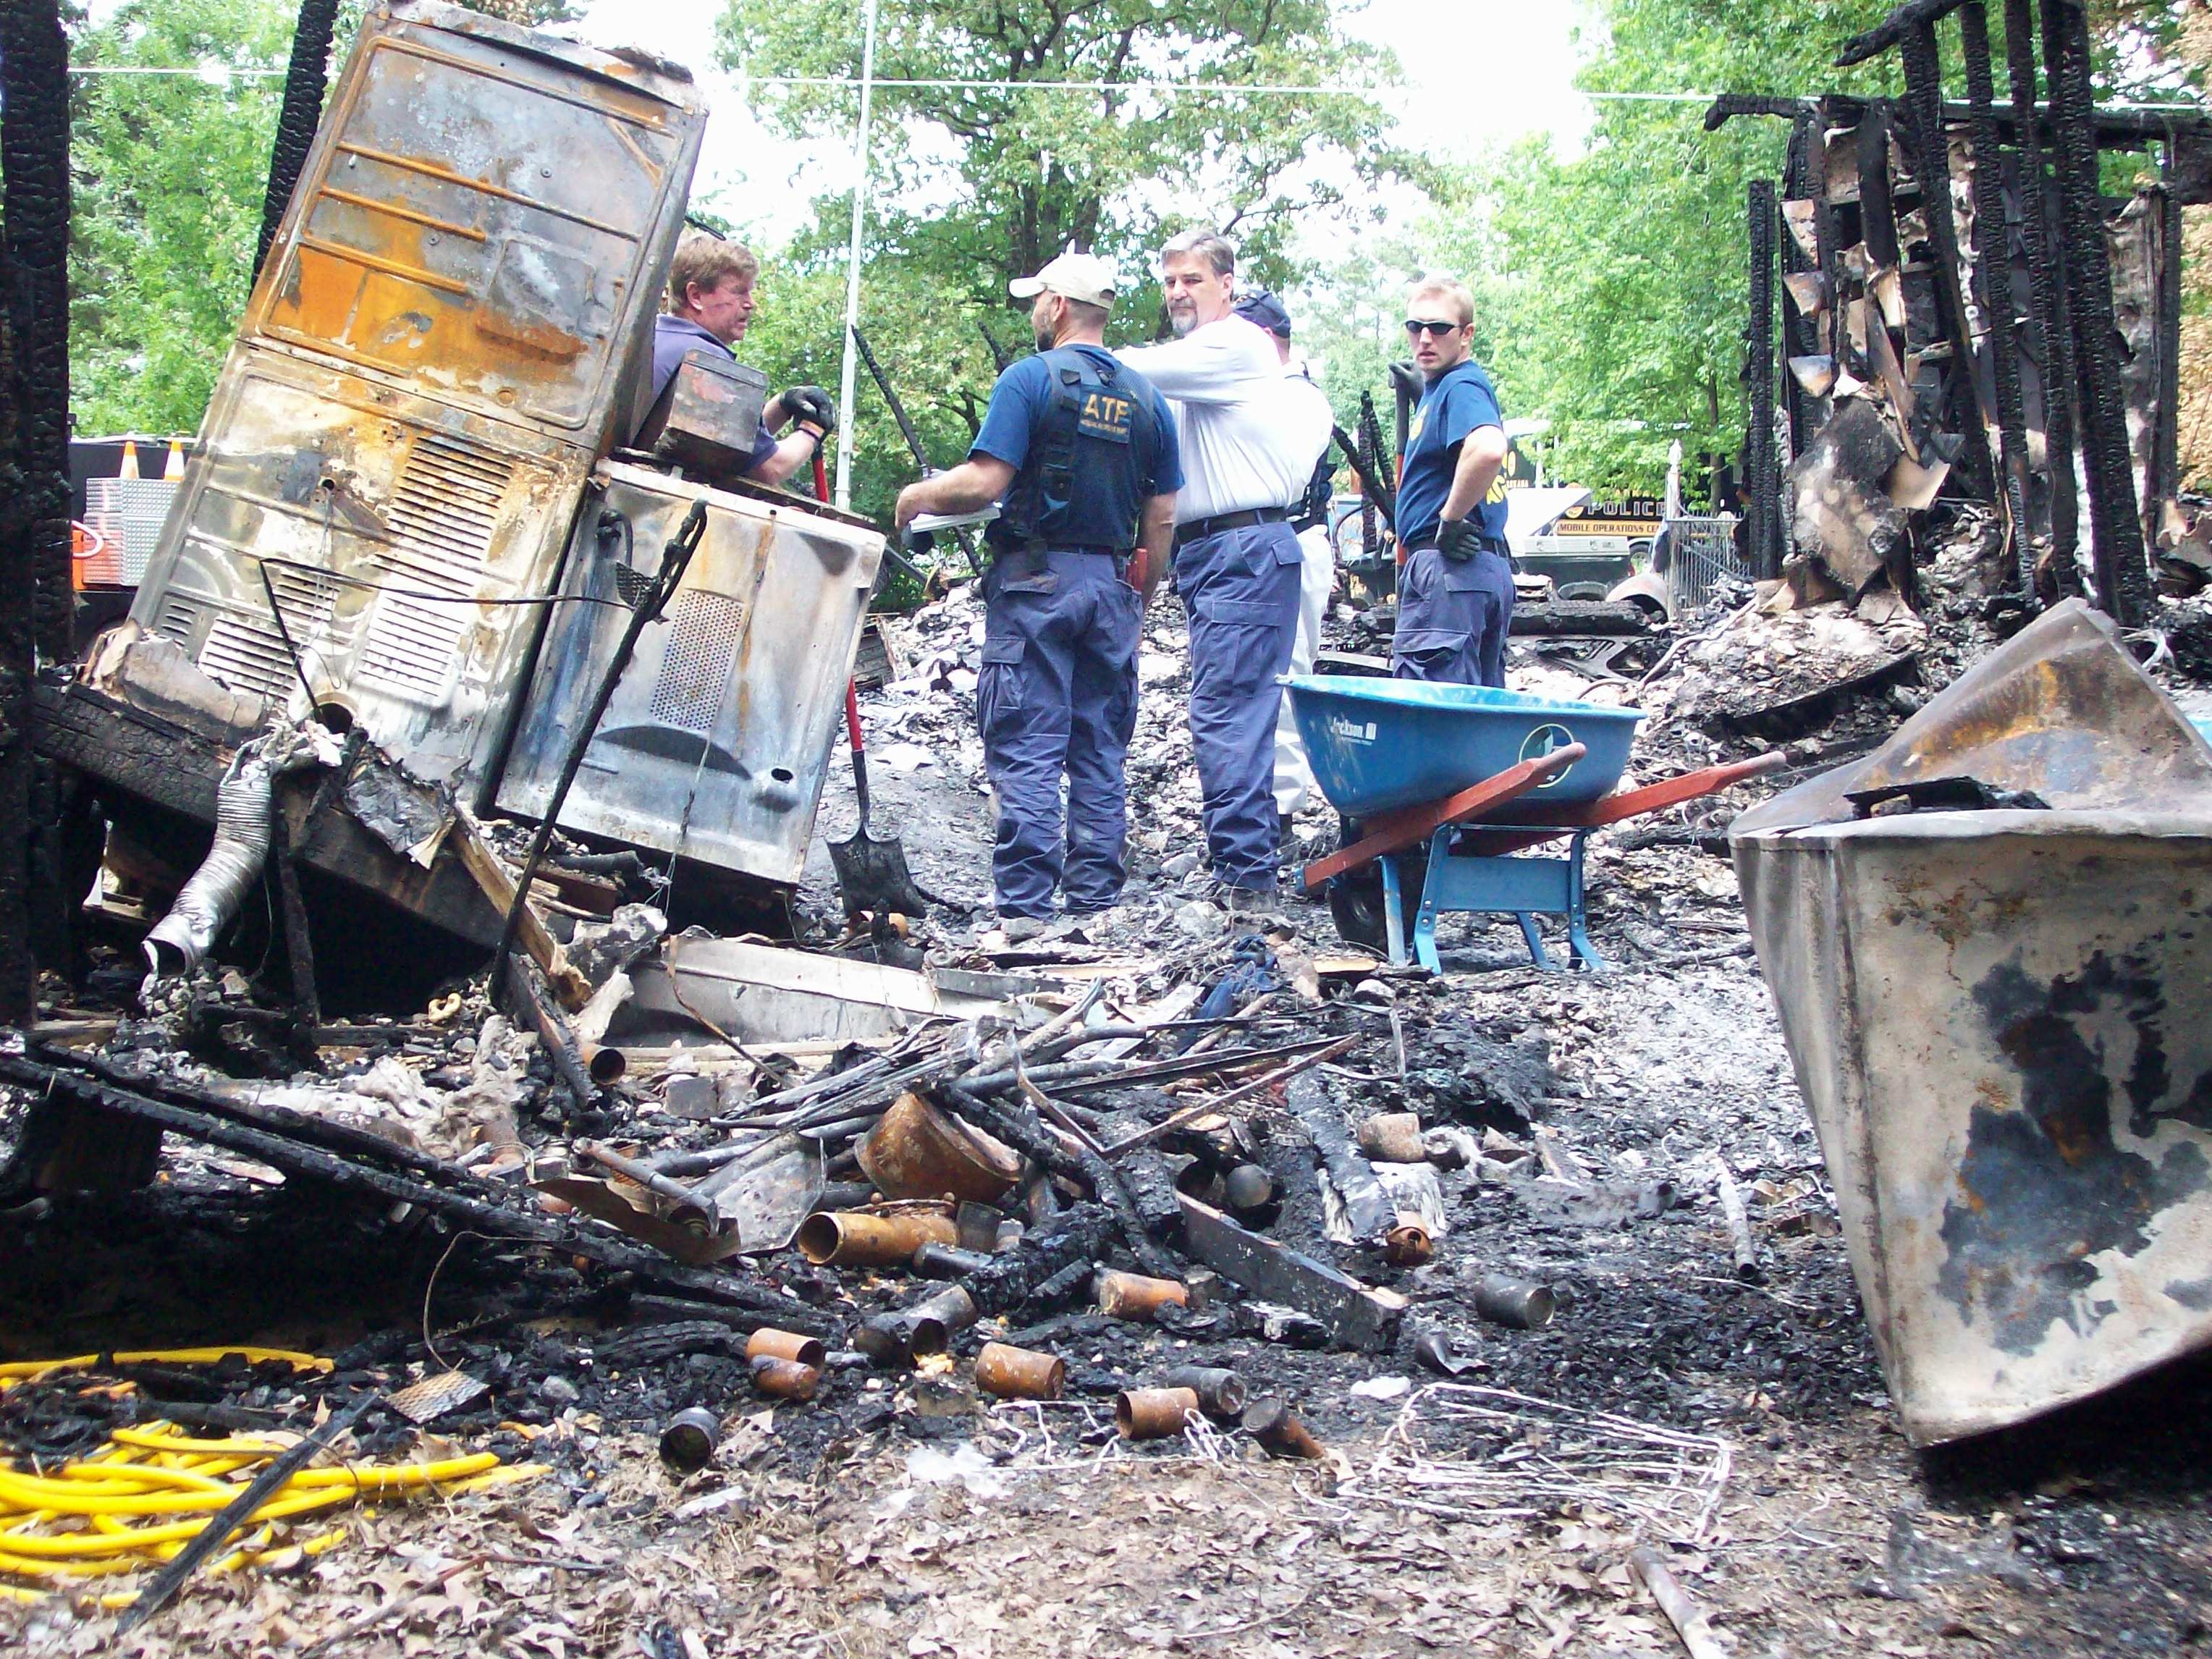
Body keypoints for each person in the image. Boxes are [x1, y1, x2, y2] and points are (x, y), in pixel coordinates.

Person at [893, 252, 1181, 940]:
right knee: (1097, 748)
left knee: (1027, 742)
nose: (1033, 311)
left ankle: (1025, 913)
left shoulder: (1029, 381)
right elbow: (1162, 518)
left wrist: (915, 497)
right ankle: (1094, 908)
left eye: (1037, 299)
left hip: (1036, 585)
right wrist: (1138, 598)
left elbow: (987, 483)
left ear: (1056, 307)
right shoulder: (1149, 400)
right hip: (1112, 585)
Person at [1116, 230, 1330, 911]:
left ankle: (1246, 875)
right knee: (1228, 708)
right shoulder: (1199, 365)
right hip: (1216, 553)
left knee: (1228, 711)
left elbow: (1129, 368)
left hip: (1242, 548)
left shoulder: (1233, 345)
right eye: (1170, 280)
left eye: (1193, 280)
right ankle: (1244, 857)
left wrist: (1072, 355)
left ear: (1227, 285)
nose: (1178, 292)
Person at [1230, 289, 1338, 831]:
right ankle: (1257, 802)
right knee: (1255, 677)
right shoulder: (1273, 395)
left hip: (1294, 539)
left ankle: (1283, 809)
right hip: (1273, 545)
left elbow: (1285, 480)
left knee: (1286, 674)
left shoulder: (1298, 399)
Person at [633, 232, 836, 488]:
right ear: (696, 296)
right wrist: (813, 430)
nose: (750, 304)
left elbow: (728, 444)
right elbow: (770, 468)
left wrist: (782, 406)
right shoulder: (705, 361)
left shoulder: (656, 338)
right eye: (739, 292)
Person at [1390, 276, 1514, 688]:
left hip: (1451, 570)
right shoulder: (1445, 387)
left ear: (1466, 335)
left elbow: (1488, 448)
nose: (1425, 338)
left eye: (1440, 328)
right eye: (1415, 327)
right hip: (1479, 572)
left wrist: (1450, 519)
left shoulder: (1461, 385)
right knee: (1475, 721)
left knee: (1434, 718)